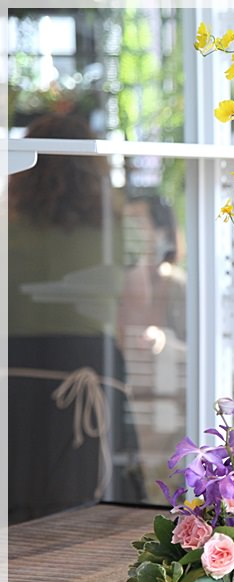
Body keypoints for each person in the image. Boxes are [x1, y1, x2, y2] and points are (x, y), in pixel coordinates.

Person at [8, 112, 145, 523]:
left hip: (13, 369)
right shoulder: (120, 229)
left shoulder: (6, 227)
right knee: (92, 498)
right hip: (92, 365)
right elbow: (138, 306)